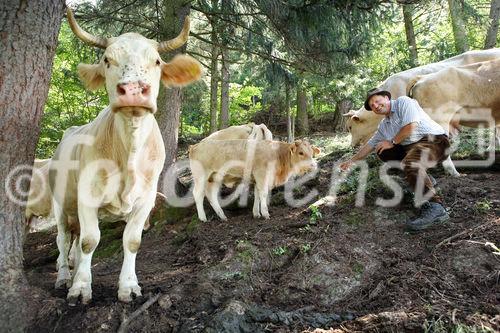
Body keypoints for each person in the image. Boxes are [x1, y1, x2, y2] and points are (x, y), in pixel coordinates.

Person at [340, 88, 451, 231]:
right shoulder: (384, 125)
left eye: (377, 101)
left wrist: (392, 142)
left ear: (386, 98)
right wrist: (351, 161)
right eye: (372, 106)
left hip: (435, 141)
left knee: (410, 162)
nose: (376, 106)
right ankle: (423, 178)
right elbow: (369, 145)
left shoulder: (403, 102)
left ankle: (436, 208)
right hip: (414, 148)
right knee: (382, 150)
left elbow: (411, 126)